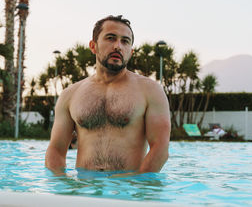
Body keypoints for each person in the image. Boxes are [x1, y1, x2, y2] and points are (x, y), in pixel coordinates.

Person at [45, 15, 171, 175]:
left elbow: (161, 147)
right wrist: (62, 185)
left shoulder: (150, 90)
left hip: (128, 190)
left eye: (125, 41)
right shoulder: (71, 94)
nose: (118, 46)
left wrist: (139, 186)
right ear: (93, 46)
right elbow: (56, 149)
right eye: (111, 38)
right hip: (85, 188)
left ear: (131, 52)